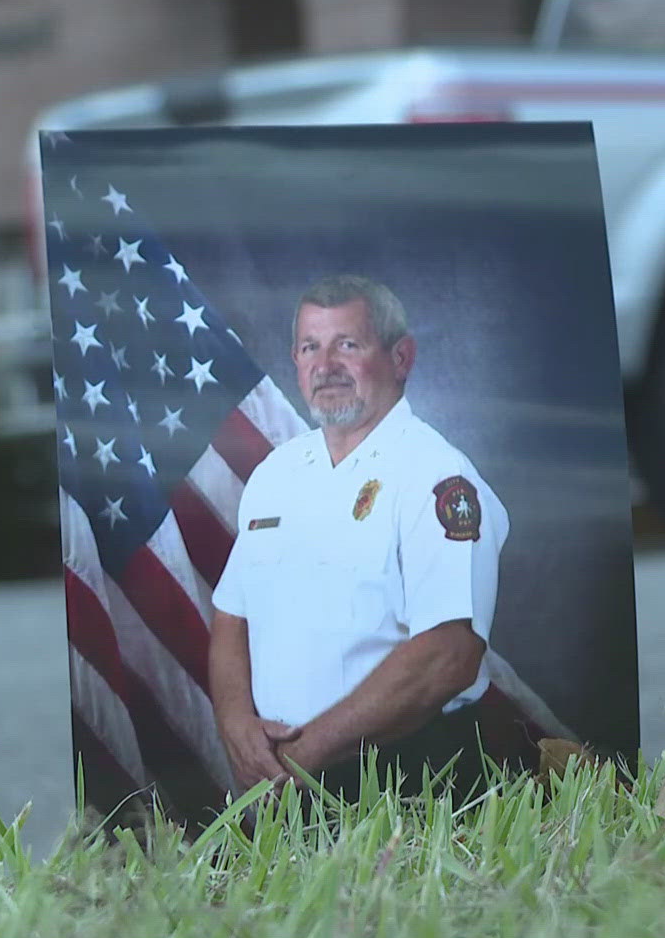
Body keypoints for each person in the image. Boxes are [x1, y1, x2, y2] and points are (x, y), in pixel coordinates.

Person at [207, 273, 511, 804]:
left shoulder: (436, 476)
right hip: (283, 781)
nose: (326, 366)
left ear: (400, 357)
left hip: (408, 776)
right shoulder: (276, 473)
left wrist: (300, 759)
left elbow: (449, 654)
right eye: (310, 347)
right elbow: (233, 615)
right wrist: (236, 727)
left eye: (347, 345)